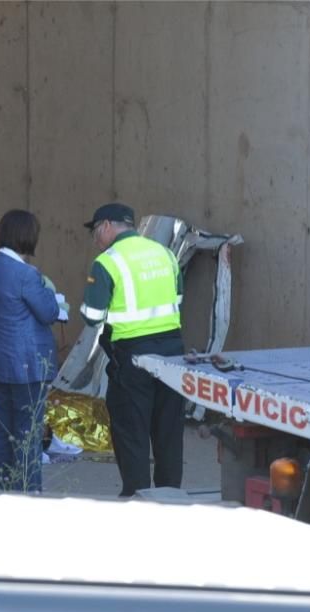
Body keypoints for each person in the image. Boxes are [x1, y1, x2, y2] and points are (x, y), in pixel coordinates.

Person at [79, 202, 185, 497]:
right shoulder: (165, 254)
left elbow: (92, 316)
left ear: (108, 226)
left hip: (132, 358)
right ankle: (169, 498)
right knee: (169, 433)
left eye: (95, 232)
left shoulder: (107, 262)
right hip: (173, 354)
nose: (95, 240)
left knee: (132, 434)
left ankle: (137, 500)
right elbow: (177, 298)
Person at [0, 209, 66, 493]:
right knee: (28, 436)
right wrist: (52, 294)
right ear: (28, 237)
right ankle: (27, 493)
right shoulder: (27, 275)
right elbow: (49, 311)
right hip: (28, 366)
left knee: (1, 432)